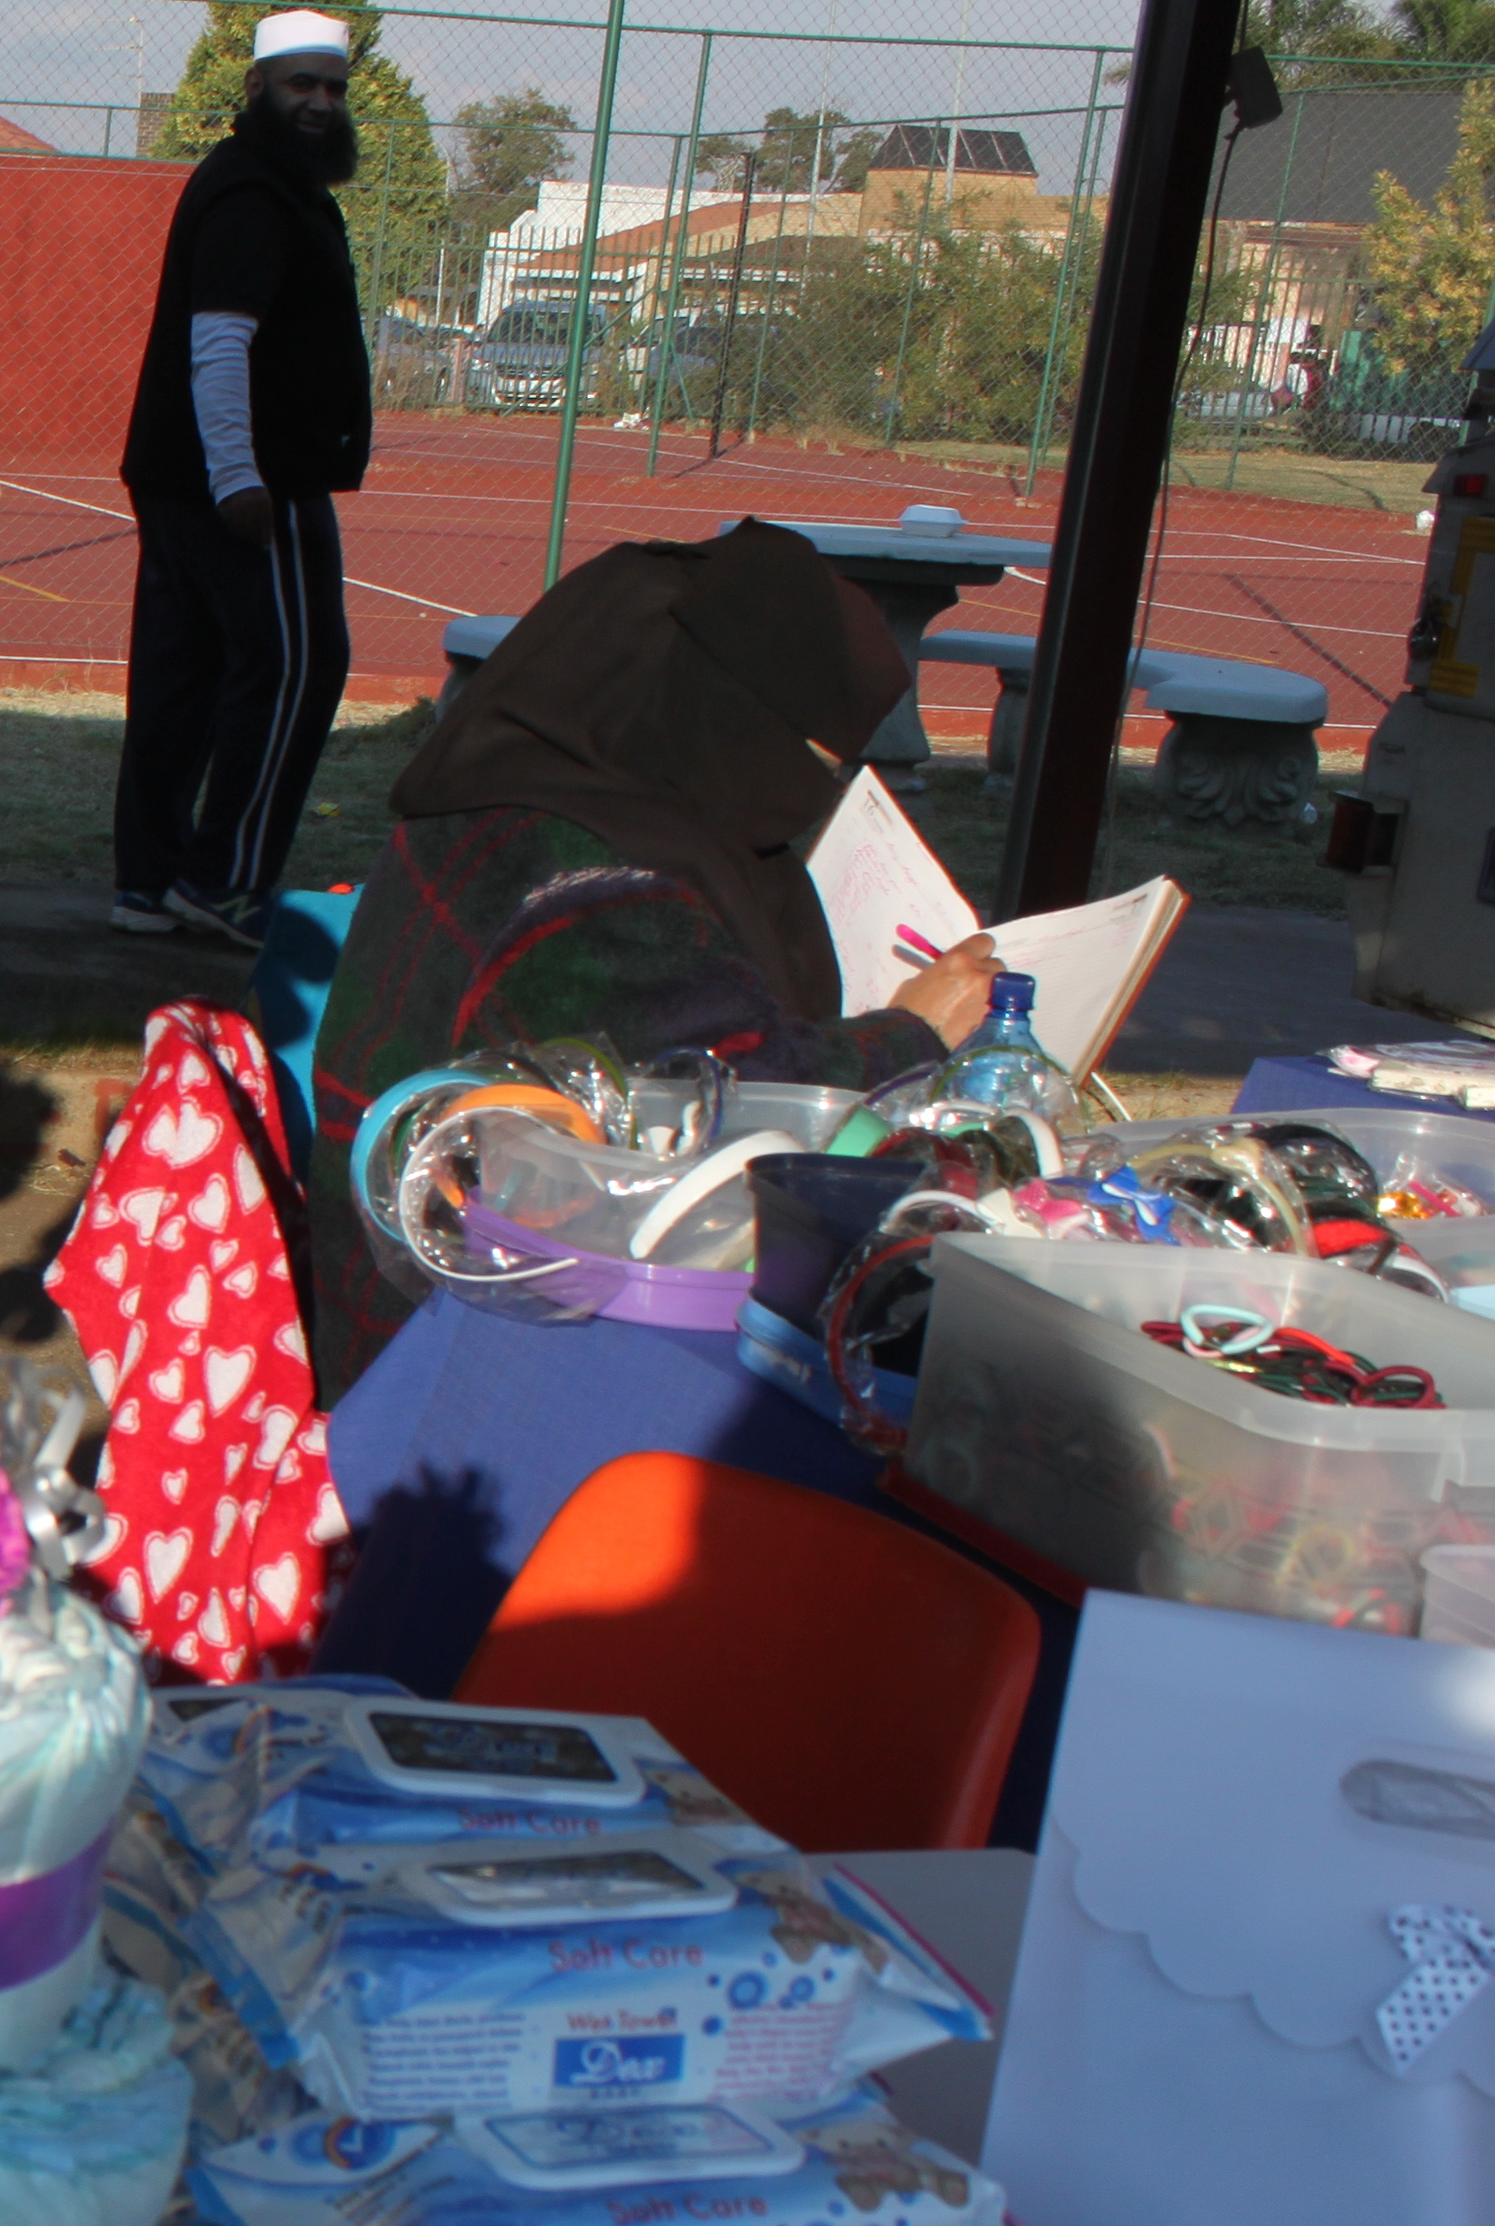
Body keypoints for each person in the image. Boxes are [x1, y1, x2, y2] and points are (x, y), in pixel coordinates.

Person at [299, 520, 1010, 1394]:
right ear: (719, 713)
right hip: (468, 1360)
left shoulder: (517, 782)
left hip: (433, 1308)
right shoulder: (588, 876)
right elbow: (726, 1108)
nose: (811, 797)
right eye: (807, 759)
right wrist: (914, 1030)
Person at [114, 9, 370, 948]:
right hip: (254, 484)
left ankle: (148, 883)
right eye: (302, 84)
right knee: (298, 665)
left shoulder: (263, 184)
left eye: (333, 87)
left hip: (189, 475)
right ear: (258, 86)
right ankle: (224, 882)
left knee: (183, 675)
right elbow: (221, 341)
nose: (320, 102)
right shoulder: (256, 194)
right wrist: (239, 477)